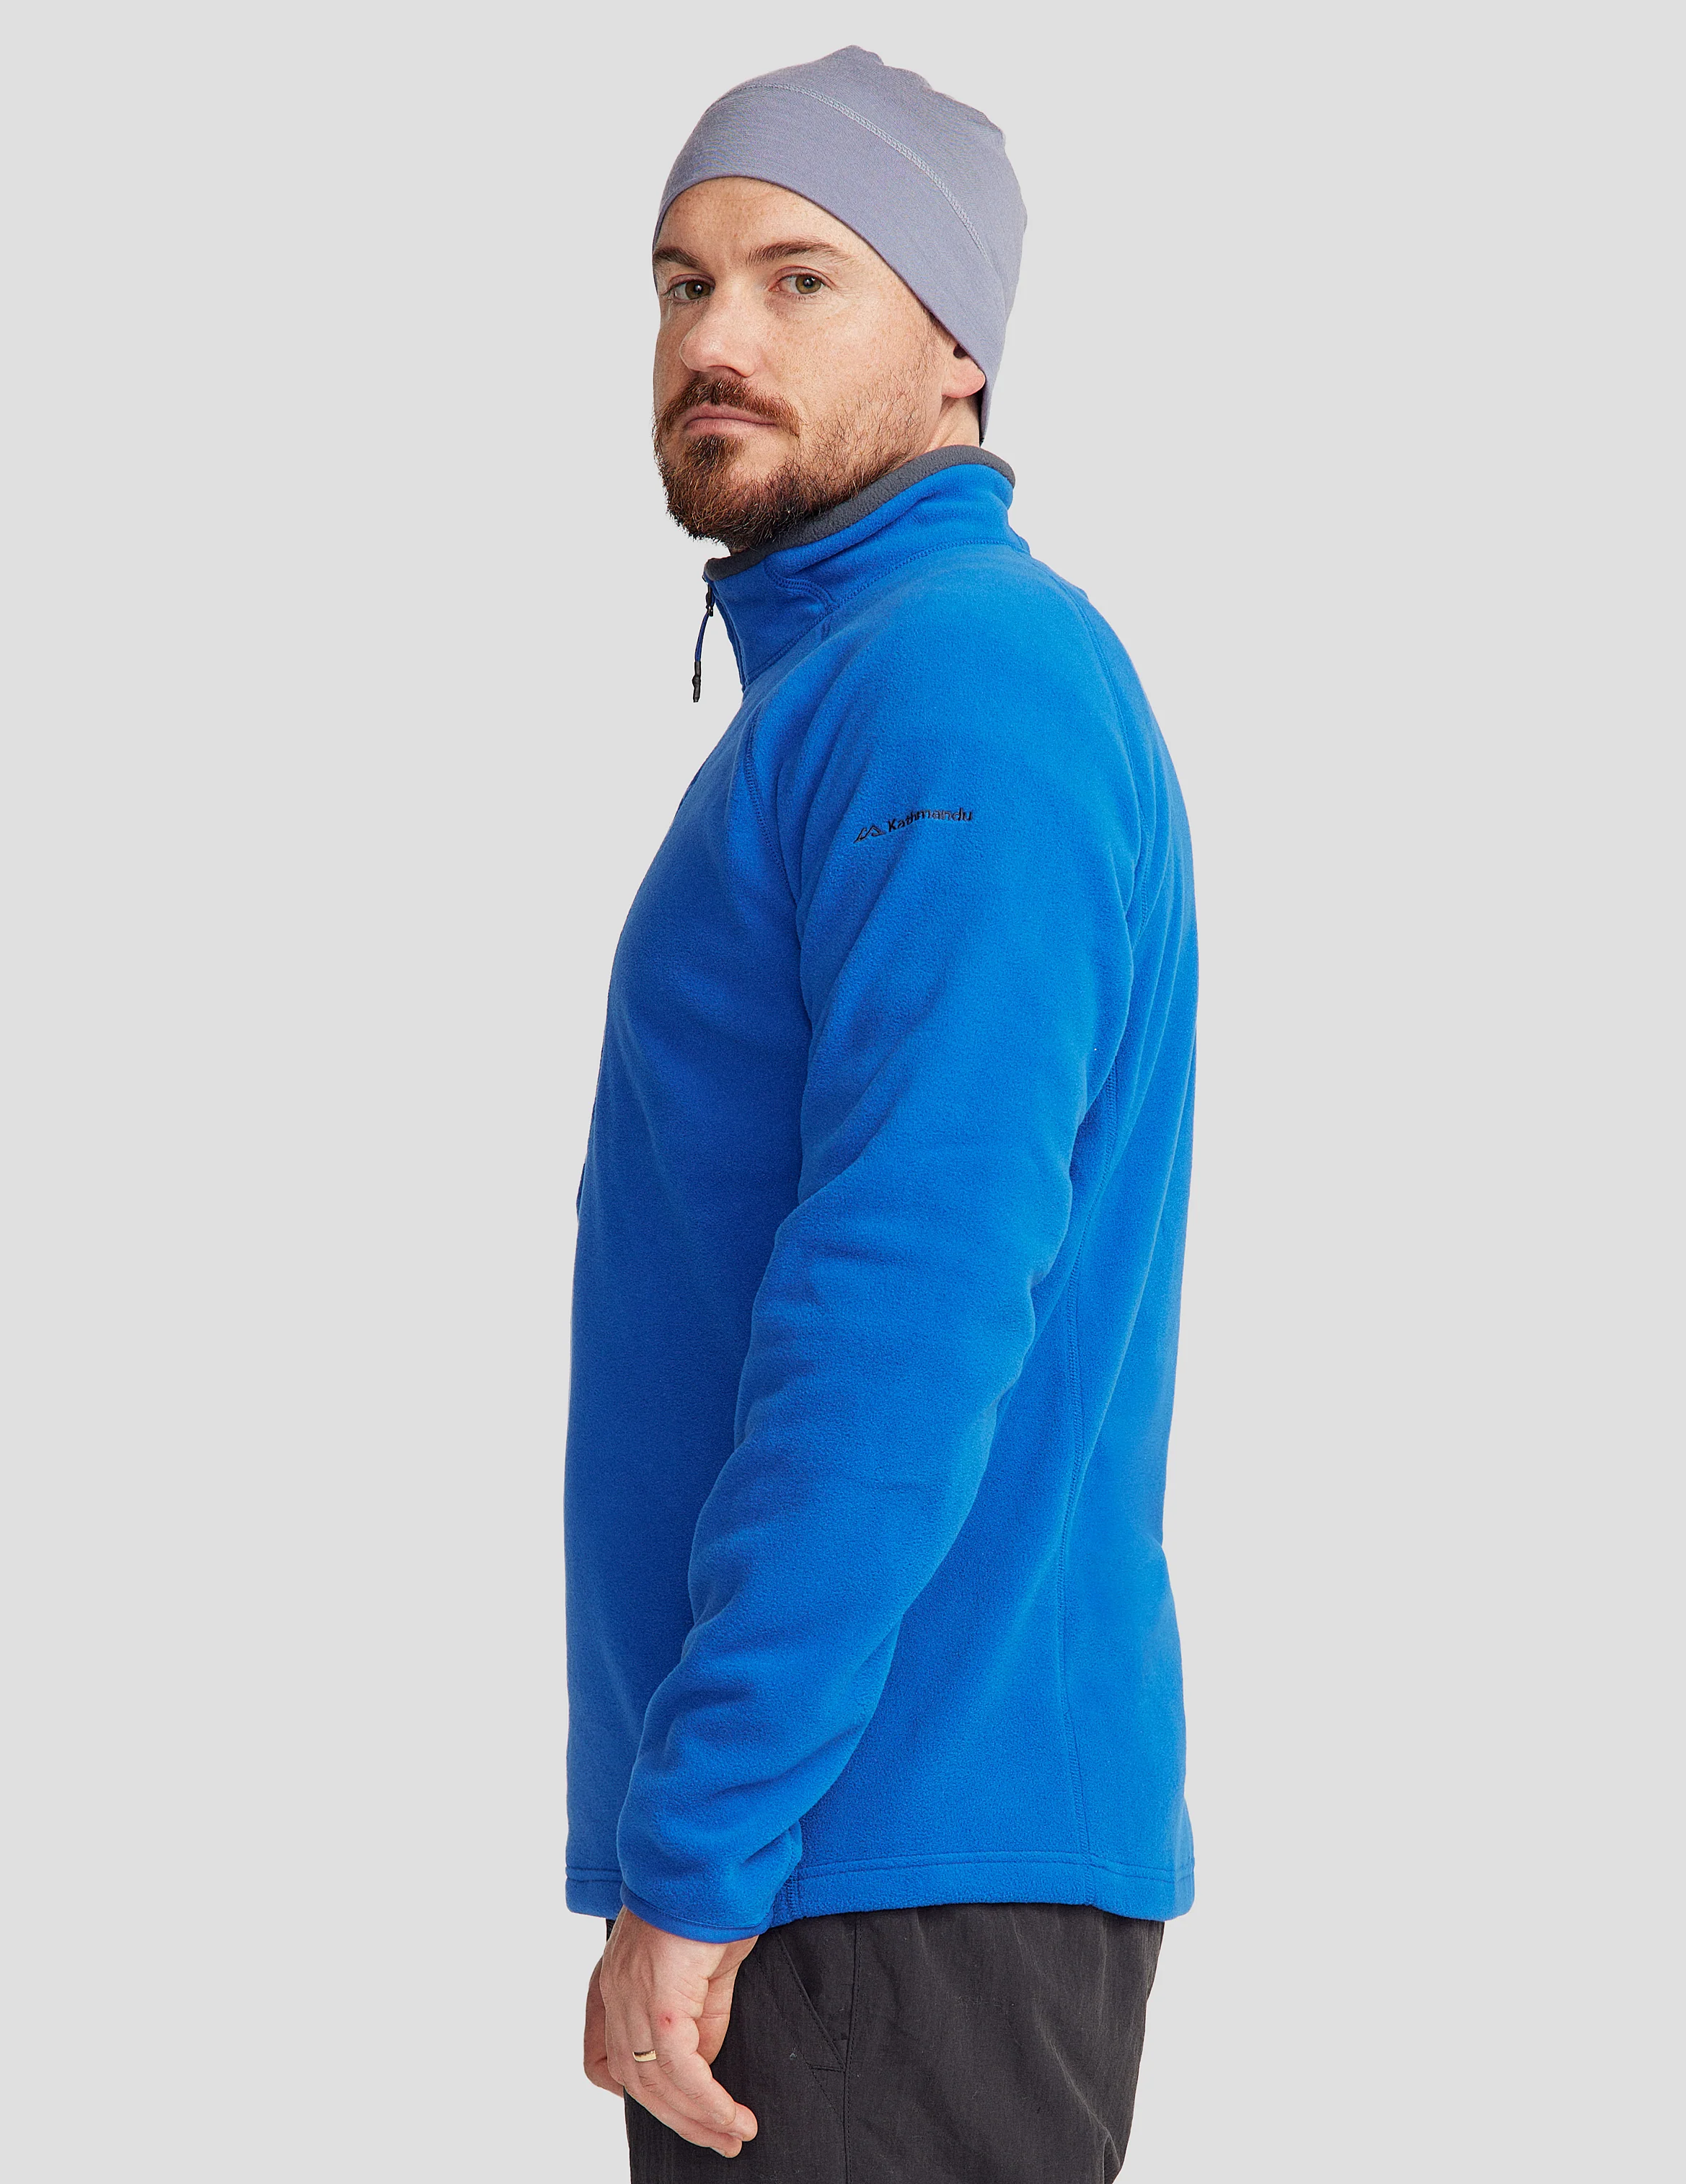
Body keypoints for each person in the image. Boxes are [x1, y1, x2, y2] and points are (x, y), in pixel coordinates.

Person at [564, 47, 1199, 2180]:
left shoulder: (957, 685)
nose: (714, 337)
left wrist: (704, 1838)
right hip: (860, 1855)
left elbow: (907, 1298)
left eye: (798, 277)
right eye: (681, 282)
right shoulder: (860, 690)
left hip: (880, 1859)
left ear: (957, 351)